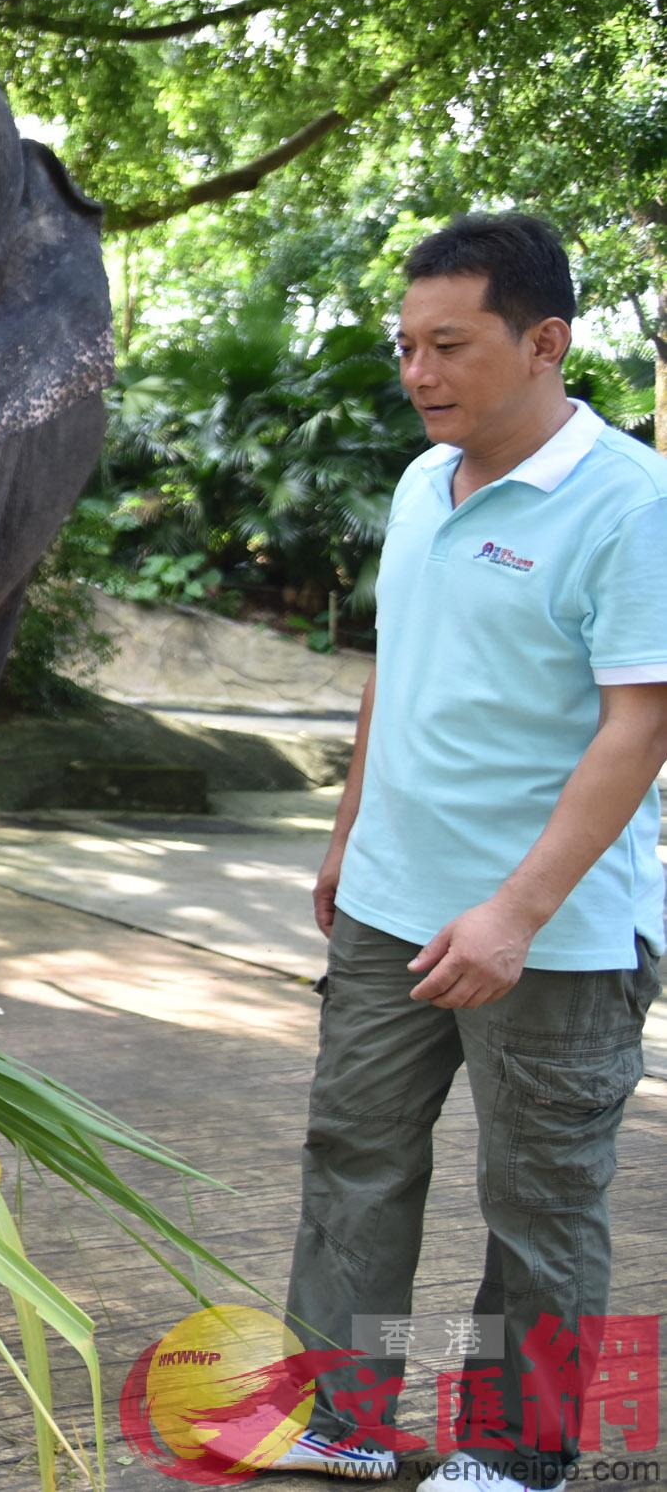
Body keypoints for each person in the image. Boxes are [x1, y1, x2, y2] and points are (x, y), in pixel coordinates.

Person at [259, 213, 667, 1490]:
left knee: (539, 1203)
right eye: (403, 347)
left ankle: (516, 1449)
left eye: (448, 344)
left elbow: (640, 723)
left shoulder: (630, 502)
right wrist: (346, 833)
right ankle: (343, 1414)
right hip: (388, 904)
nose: (417, 373)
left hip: (552, 932)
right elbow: (398, 669)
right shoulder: (418, 482)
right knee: (354, 1160)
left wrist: (515, 912)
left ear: (544, 342)